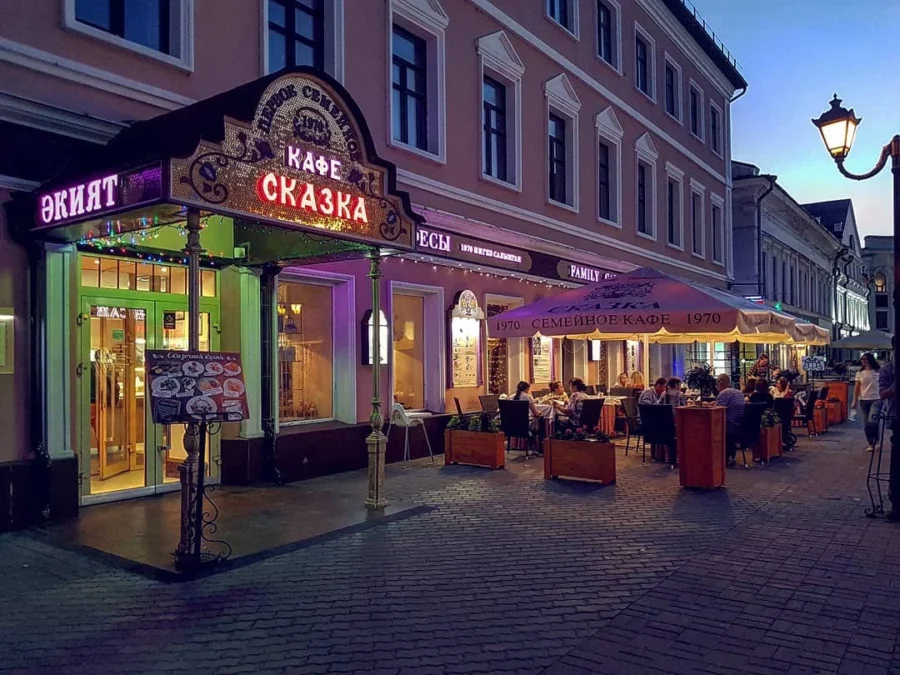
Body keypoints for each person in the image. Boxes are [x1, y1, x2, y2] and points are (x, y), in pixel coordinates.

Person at [853, 353, 882, 452]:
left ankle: (876, 441)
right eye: (862, 359)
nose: (863, 361)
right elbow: (857, 387)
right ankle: (871, 442)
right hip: (864, 400)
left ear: (870, 360)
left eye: (865, 359)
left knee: (872, 421)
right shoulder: (860, 373)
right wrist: (854, 401)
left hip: (876, 399)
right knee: (866, 424)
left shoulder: (878, 371)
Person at [715, 373, 745, 467]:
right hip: (739, 425)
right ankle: (730, 455)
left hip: (728, 426)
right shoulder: (739, 392)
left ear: (721, 382)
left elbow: (716, 410)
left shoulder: (724, 393)